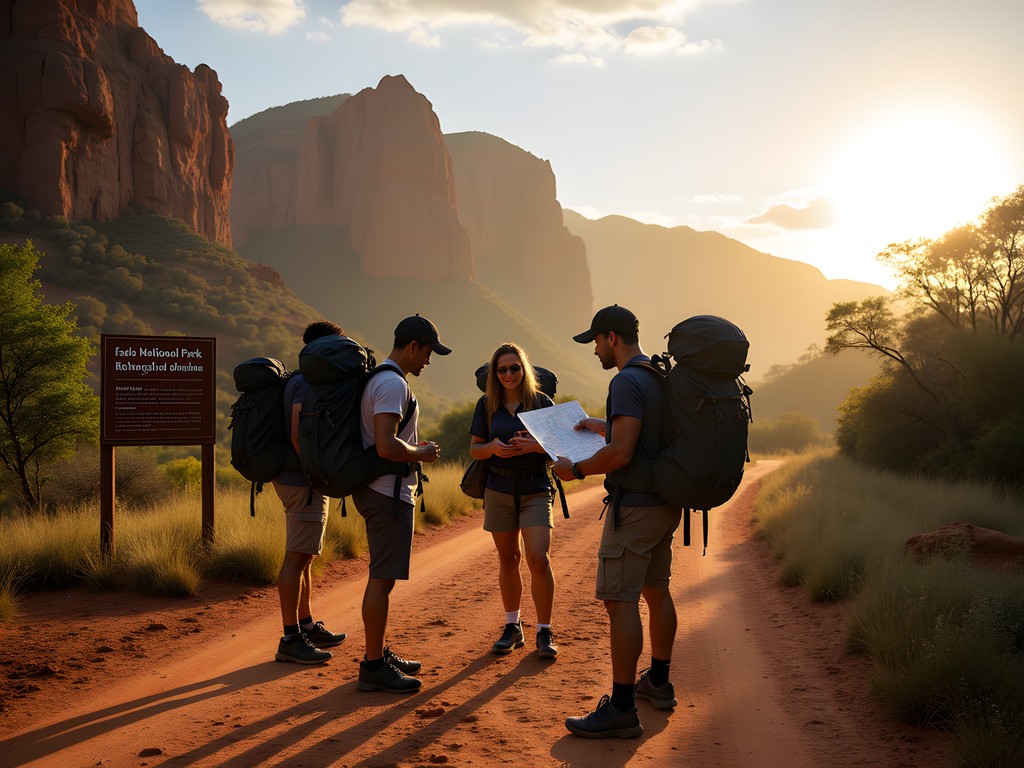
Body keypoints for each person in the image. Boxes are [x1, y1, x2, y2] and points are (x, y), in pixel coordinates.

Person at [553, 305, 681, 739]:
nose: (594, 351)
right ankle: (658, 683)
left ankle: (623, 706)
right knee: (656, 590)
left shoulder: (625, 379)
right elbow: (643, 435)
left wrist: (578, 470)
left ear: (611, 337)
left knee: (619, 600)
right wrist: (601, 425)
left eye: (595, 342)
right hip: (665, 502)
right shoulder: (660, 376)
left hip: (635, 509)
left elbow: (623, 453)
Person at [353, 314, 450, 694]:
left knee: (384, 577)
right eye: (427, 353)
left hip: (378, 488)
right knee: (381, 580)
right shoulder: (392, 385)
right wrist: (422, 453)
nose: (428, 360)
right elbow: (386, 444)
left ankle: (378, 654)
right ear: (412, 347)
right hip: (387, 491)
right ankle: (373, 666)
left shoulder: (380, 379)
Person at [469, 342, 559, 659]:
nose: (509, 374)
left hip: (535, 487)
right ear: (495, 373)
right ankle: (512, 626)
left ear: (524, 369)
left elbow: (559, 450)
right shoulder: (486, 405)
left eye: (514, 368)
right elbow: (475, 450)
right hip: (498, 489)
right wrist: (492, 446)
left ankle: (544, 631)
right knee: (508, 560)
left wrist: (535, 447)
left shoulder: (541, 402)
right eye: (502, 369)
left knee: (538, 558)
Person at [273, 320, 349, 664]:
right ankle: (291, 638)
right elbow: (296, 431)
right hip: (301, 479)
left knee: (305, 556)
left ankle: (304, 624)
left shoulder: (299, 378)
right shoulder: (306, 382)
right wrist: (316, 473)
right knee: (296, 557)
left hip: (301, 478)